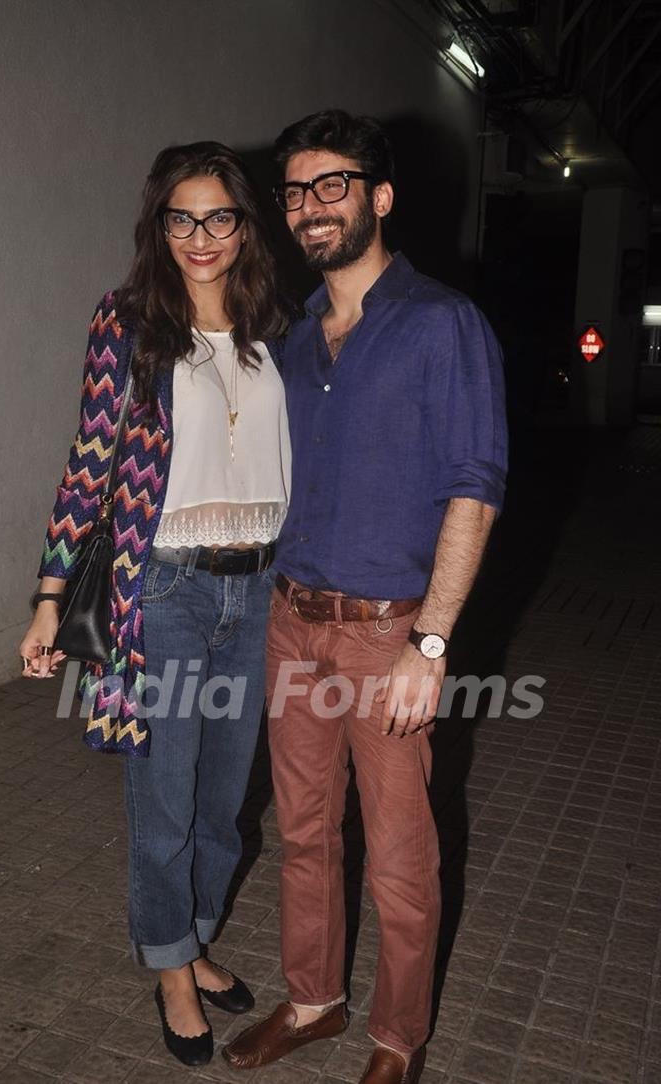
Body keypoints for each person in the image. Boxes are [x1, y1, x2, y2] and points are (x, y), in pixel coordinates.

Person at [222, 111, 508, 1084]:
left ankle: (397, 1037)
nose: (309, 208)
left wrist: (431, 646)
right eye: (296, 192)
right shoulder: (297, 340)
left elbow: (476, 485)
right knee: (304, 830)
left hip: (388, 636)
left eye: (331, 185)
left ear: (380, 196)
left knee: (398, 856)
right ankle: (314, 999)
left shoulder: (442, 323)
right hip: (292, 621)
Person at [19, 142, 291, 1067]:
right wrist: (51, 597)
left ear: (245, 224)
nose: (200, 236)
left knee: (225, 797)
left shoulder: (274, 322)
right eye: (182, 217)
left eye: (219, 216)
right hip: (161, 587)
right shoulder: (130, 318)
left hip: (258, 588)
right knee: (163, 795)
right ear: (158, 224)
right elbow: (91, 459)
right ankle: (172, 967)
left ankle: (195, 931)